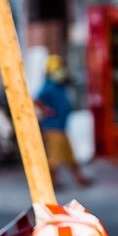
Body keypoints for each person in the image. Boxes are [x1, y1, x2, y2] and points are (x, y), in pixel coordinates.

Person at [33, 56, 91, 190]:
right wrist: (46, 111)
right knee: (54, 158)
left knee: (70, 156)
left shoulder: (59, 84)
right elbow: (36, 99)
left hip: (62, 126)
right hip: (53, 128)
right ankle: (51, 183)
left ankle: (79, 179)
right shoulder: (49, 85)